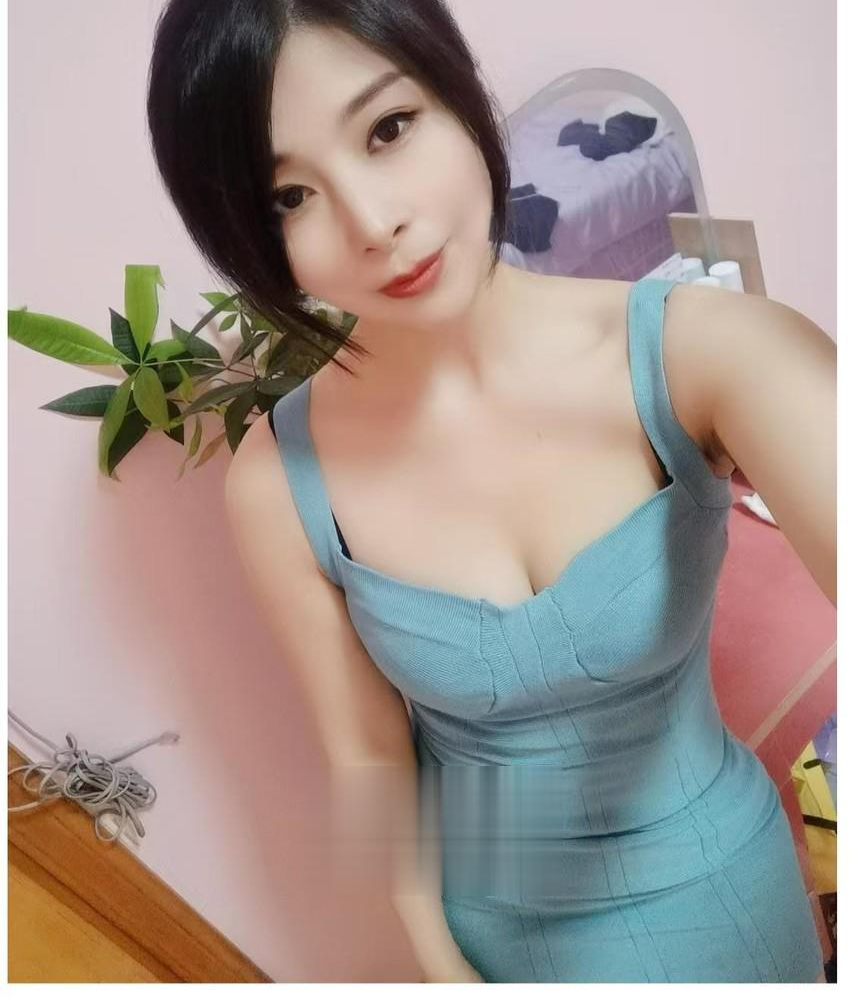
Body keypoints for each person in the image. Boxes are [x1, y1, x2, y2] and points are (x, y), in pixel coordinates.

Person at [146, 0, 835, 983]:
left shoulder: (702, 350)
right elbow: (370, 759)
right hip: (489, 933)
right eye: (288, 196)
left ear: (455, 89)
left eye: (388, 127)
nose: (374, 223)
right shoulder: (277, 480)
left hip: (715, 896)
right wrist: (442, 967)